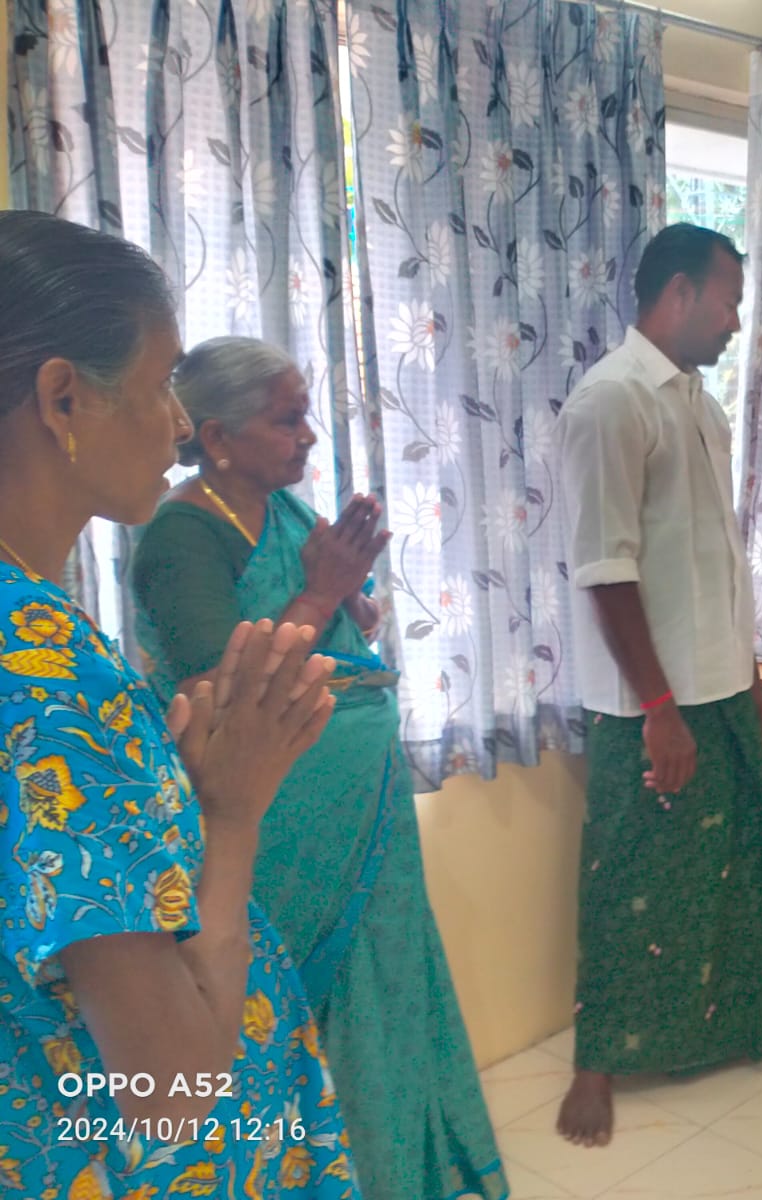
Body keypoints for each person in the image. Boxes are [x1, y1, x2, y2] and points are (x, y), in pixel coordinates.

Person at [0, 210, 359, 1196]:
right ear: (64, 399)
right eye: (161, 382)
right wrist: (229, 814)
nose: (176, 423)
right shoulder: (48, 676)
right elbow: (169, 1092)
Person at [130, 337, 505, 1199]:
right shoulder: (183, 536)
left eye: (305, 415)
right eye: (287, 419)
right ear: (217, 438)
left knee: (386, 989)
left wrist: (350, 604)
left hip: (358, 806)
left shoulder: (281, 509)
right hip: (279, 831)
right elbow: (221, 696)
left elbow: (326, 633)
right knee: (297, 1010)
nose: (307, 436)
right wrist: (323, 595)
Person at [556, 223, 762, 1148]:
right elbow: (607, 570)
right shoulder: (611, 402)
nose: (737, 321)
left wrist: (745, 674)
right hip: (647, 701)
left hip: (717, 684)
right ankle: (597, 1062)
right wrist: (661, 710)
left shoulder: (697, 402)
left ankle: (742, 1021)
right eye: (730, 300)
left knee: (736, 863)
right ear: (679, 294)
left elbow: (714, 559)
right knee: (629, 874)